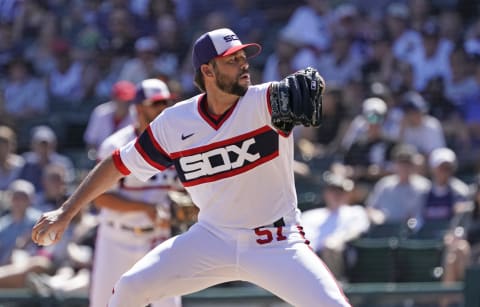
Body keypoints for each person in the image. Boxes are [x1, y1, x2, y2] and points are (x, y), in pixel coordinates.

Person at [31, 28, 351, 307]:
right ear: (208, 71)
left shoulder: (266, 101)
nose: (243, 65)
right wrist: (67, 212)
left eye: (243, 58)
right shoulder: (175, 122)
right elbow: (117, 164)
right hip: (212, 237)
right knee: (129, 288)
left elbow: (312, 88)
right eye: (231, 60)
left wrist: (320, 85)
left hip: (276, 241)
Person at [89, 78, 181, 307]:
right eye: (156, 104)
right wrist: (146, 208)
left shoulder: (177, 144)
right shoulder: (116, 145)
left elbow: (184, 190)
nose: (163, 109)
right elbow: (99, 197)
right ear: (139, 108)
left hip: (158, 238)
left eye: (166, 103)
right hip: (117, 238)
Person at [301, 171, 370, 280]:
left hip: (341, 255)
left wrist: (339, 239)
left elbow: (356, 230)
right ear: (326, 193)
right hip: (310, 256)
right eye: (333, 190)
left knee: (331, 247)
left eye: (340, 191)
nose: (336, 195)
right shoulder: (309, 215)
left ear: (347, 194)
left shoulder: (355, 212)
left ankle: (334, 286)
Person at [83, 80, 136, 153]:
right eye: (121, 100)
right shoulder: (100, 112)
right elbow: (91, 142)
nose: (124, 104)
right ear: (113, 98)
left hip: (126, 159)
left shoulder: (136, 116)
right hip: (100, 158)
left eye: (128, 101)